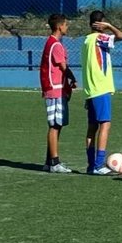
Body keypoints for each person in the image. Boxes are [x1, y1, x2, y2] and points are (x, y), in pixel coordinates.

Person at [81, 10, 122, 174]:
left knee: (91, 128)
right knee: (105, 125)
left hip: (90, 90)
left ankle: (90, 165)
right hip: (101, 88)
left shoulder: (86, 40)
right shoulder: (100, 38)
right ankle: (99, 165)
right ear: (100, 23)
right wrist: (109, 26)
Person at [37, 12, 75, 172]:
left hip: (55, 88)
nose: (67, 27)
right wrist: (73, 79)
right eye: (65, 24)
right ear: (59, 26)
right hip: (55, 89)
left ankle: (49, 161)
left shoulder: (50, 42)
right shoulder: (56, 45)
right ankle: (54, 163)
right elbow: (63, 67)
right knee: (55, 125)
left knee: (57, 124)